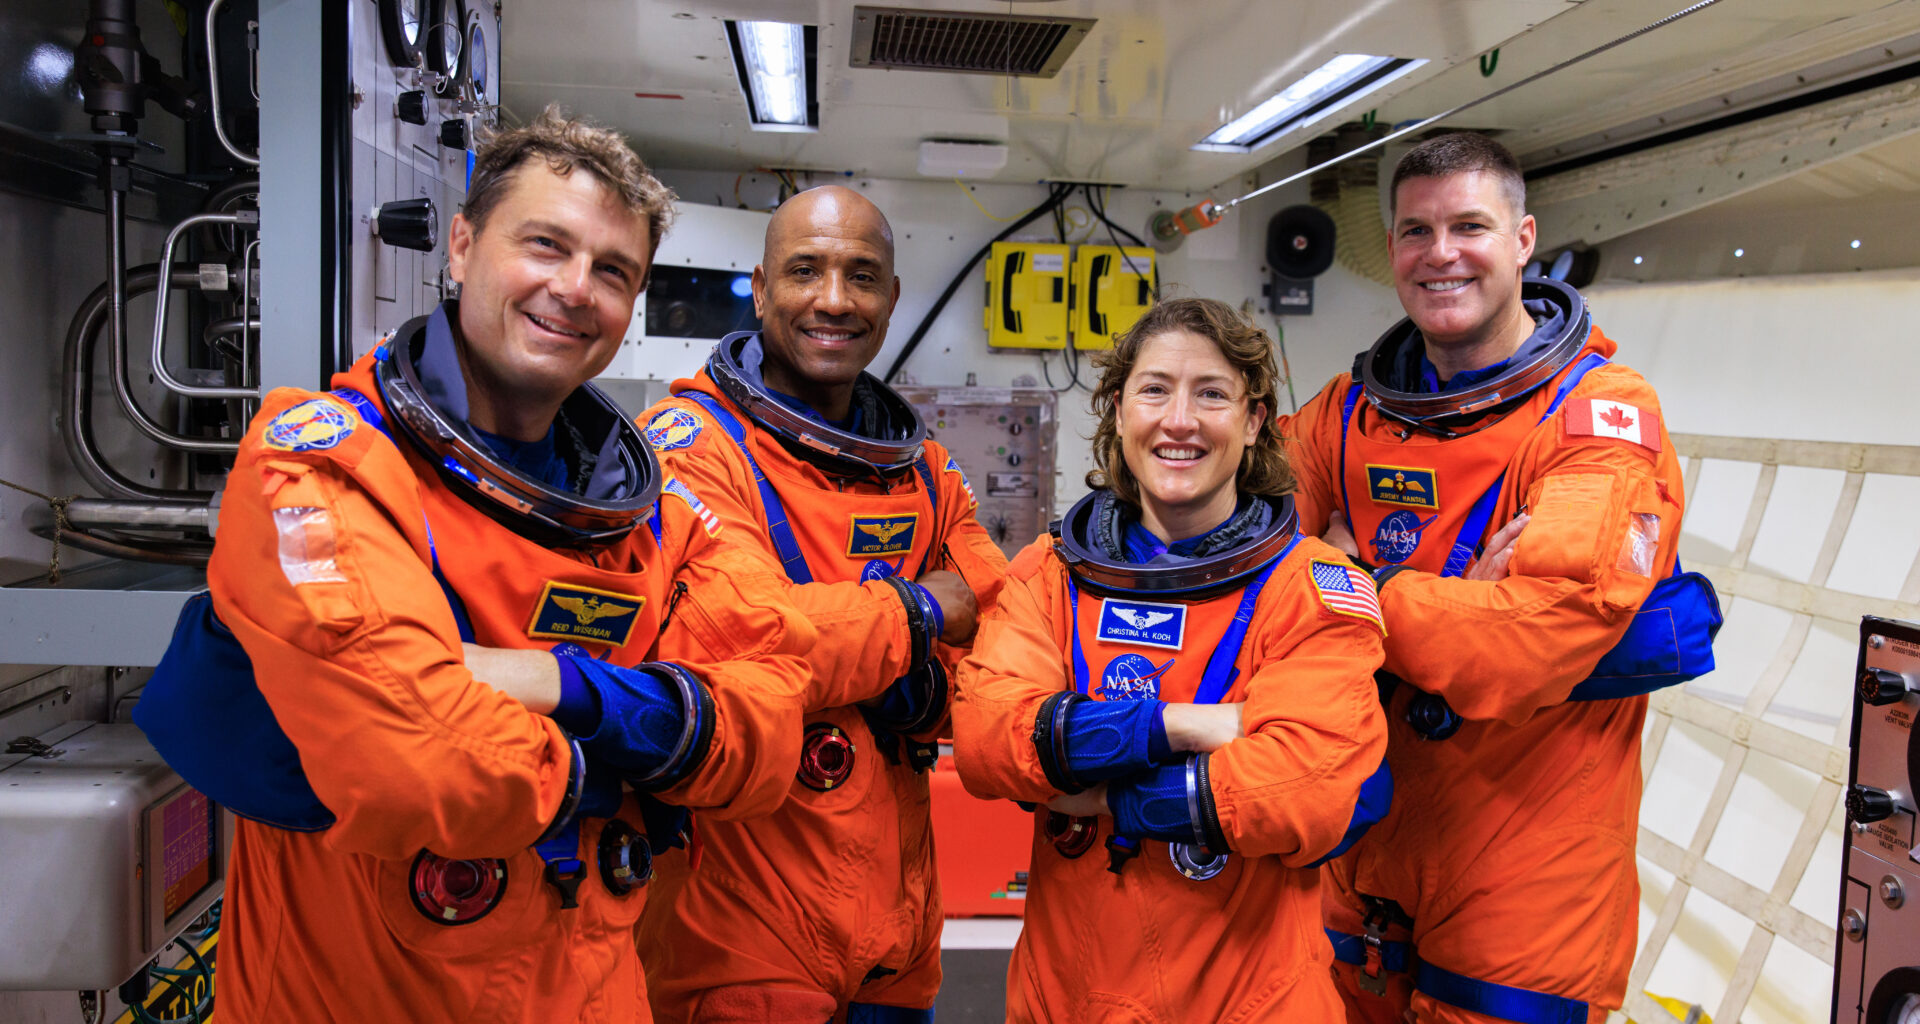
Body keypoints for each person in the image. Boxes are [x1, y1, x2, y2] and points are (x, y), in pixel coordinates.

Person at [156, 107, 814, 1022]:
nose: (575, 289)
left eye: (613, 271)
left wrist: (564, 687)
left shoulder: (650, 514)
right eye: (545, 245)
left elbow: (771, 725)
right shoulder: (322, 464)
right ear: (462, 247)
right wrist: (629, 762)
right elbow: (414, 759)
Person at [1281, 132, 1689, 1023]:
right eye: (1416, 231)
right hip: (1360, 842)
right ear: (1393, 248)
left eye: (1469, 226)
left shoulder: (1598, 418)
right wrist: (1458, 599)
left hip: (1528, 862)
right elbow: (1242, 567)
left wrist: (1354, 580)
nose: (1442, 253)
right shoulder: (1344, 417)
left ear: (1522, 239)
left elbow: (1531, 639)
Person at [950, 296, 1392, 1022]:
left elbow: (1305, 788)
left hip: (1248, 1002)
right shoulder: (1050, 573)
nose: (1179, 420)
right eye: (1154, 390)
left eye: (1211, 394)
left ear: (1253, 421)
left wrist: (1103, 795)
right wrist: (1185, 726)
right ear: (1120, 410)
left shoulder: (1311, 586)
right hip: (1066, 997)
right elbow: (986, 739)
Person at [632, 185, 1009, 1022]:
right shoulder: (692, 450)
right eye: (805, 270)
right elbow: (751, 644)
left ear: (892, 298)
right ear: (761, 287)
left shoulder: (924, 471)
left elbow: (1004, 639)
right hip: (739, 930)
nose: (834, 300)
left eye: (861, 276)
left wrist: (922, 686)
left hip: (898, 942)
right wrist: (919, 617)